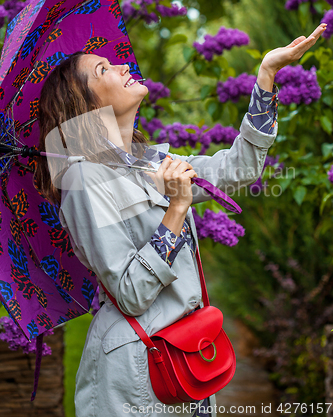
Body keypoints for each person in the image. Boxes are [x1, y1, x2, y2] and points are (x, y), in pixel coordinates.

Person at [34, 23, 326, 417]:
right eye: (103, 70)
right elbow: (131, 293)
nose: (121, 66)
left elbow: (240, 167)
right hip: (137, 368)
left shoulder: (149, 162)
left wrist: (267, 75)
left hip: (183, 352)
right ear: (86, 105)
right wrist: (176, 209)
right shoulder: (85, 180)